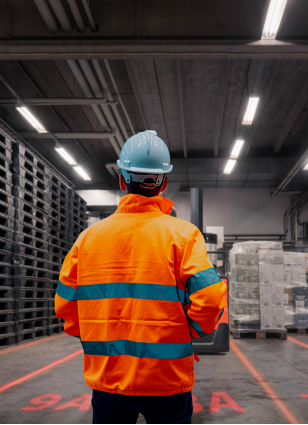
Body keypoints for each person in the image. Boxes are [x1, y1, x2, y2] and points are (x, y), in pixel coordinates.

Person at [55, 130, 227, 425]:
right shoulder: (184, 235)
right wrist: (191, 331)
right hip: (166, 378)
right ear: (164, 183)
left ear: (121, 180)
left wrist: (94, 333)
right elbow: (211, 297)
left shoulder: (88, 239)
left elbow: (66, 306)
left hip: (108, 377)